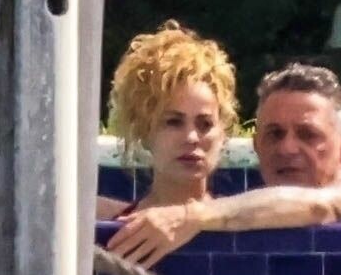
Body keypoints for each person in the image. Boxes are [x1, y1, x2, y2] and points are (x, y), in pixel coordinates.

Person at [107, 62, 341, 267]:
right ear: (257, 146)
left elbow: (319, 207)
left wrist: (190, 216)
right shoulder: (240, 215)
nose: (287, 148)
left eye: (307, 134)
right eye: (274, 134)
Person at [96, 20, 238, 228]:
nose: (191, 137)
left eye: (205, 124)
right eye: (173, 122)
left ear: (223, 133)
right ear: (144, 131)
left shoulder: (247, 227)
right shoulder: (109, 230)